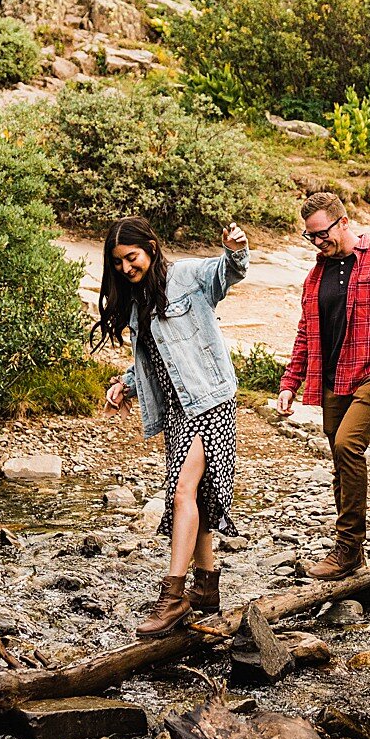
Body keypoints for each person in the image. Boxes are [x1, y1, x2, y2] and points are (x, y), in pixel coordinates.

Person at [96, 215, 251, 636]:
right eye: (118, 263)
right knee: (195, 492)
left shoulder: (188, 277)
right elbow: (153, 358)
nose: (126, 268)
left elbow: (228, 271)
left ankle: (174, 596)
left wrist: (235, 247)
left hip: (209, 402)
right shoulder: (134, 302)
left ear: (150, 246)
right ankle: (206, 585)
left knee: (183, 490)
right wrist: (126, 386)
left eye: (132, 258)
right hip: (177, 411)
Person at [276, 192, 370, 579]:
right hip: (333, 379)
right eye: (310, 237)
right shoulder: (316, 275)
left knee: (347, 444)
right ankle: (352, 555)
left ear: (342, 222)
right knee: (341, 463)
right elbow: (306, 332)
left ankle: (347, 547)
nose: (317, 242)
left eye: (321, 233)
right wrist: (291, 382)